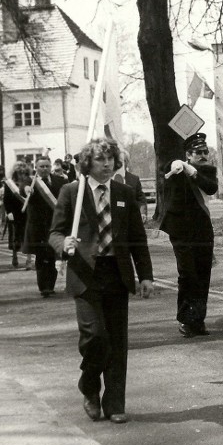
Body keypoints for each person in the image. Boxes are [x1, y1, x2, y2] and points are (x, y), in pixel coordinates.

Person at [49, 138, 154, 424]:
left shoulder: (123, 192)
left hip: (117, 274)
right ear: (88, 163)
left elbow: (137, 238)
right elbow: (54, 233)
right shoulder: (72, 192)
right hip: (85, 276)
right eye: (100, 160)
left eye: (111, 159)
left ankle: (115, 403)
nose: (107, 164)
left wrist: (145, 275)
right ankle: (90, 387)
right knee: (95, 336)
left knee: (118, 342)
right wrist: (64, 243)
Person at [159, 132, 218, 338]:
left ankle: (198, 320)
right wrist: (176, 163)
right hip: (181, 232)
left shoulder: (208, 171)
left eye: (205, 151)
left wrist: (192, 171)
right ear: (188, 154)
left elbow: (211, 188)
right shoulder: (177, 169)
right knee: (188, 275)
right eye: (198, 152)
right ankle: (186, 319)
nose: (203, 155)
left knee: (203, 276)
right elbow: (164, 168)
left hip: (202, 231)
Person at [23, 156, 67, 297]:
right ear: (36, 167)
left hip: (55, 224)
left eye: (47, 166)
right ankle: (44, 287)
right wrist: (27, 190)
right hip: (38, 226)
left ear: (51, 167)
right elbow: (23, 189)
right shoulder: (30, 181)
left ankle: (51, 285)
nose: (44, 169)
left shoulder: (60, 181)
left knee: (53, 254)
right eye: (41, 166)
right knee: (41, 257)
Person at [2, 161, 31, 268]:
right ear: (15, 173)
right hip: (14, 212)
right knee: (15, 236)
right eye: (19, 173)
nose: (22, 175)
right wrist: (9, 212)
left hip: (27, 212)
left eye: (24, 173)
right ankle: (14, 256)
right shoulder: (9, 184)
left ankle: (29, 260)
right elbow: (6, 200)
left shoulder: (29, 183)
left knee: (27, 235)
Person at [119, 150, 148, 221]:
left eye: (122, 161)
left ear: (126, 162)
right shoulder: (108, 179)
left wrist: (142, 213)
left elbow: (141, 199)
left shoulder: (134, 179)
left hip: (131, 218)